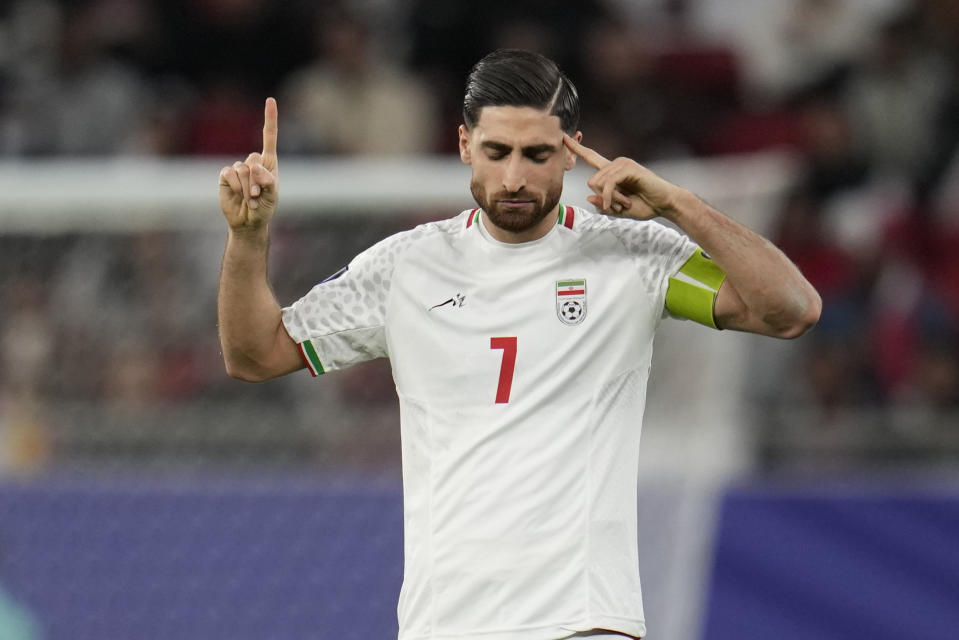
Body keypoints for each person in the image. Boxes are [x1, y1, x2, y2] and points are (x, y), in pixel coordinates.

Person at [217, 49, 821, 640]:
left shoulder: (631, 256)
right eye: (496, 152)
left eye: (536, 155)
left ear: (570, 151)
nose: (513, 177)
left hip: (583, 620)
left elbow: (791, 311)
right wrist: (249, 237)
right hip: (444, 623)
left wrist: (677, 205)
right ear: (463, 145)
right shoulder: (407, 267)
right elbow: (255, 355)